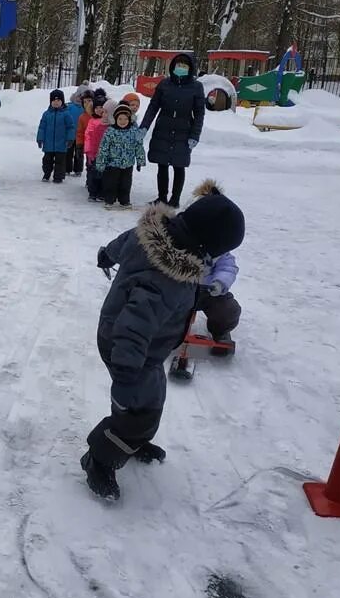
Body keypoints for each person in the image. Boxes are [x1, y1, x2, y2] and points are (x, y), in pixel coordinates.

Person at [81, 191, 246, 501]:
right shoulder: (165, 279)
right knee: (136, 412)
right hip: (128, 350)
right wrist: (127, 370)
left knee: (151, 400)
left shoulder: (155, 234)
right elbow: (134, 325)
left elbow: (123, 242)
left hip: (146, 349)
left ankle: (133, 440)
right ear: (205, 244)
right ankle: (100, 458)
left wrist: (108, 254)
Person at [139, 53, 206, 208]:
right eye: (178, 65)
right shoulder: (164, 84)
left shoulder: (196, 87)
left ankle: (175, 199)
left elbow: (199, 113)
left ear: (190, 68)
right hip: (163, 128)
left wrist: (195, 135)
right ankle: (162, 197)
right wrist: (144, 127)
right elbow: (153, 107)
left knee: (179, 165)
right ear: (173, 66)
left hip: (184, 131)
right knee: (162, 164)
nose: (181, 68)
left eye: (184, 65)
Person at [191, 179, 242, 344]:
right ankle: (167, 331)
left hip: (209, 292)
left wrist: (219, 284)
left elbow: (228, 267)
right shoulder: (181, 238)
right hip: (180, 290)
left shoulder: (219, 246)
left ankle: (220, 330)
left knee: (228, 310)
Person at [95, 102, 147, 209]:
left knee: (126, 184)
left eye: (125, 119)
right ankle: (109, 199)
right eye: (120, 119)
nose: (123, 122)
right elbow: (103, 149)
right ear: (115, 119)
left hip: (128, 164)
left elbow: (138, 146)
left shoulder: (133, 131)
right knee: (111, 183)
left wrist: (140, 161)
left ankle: (124, 201)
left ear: (129, 119)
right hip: (112, 164)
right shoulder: (110, 131)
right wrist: (101, 163)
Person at [37, 89, 76, 183]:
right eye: (54, 100)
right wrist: (40, 138)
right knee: (47, 160)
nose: (56, 102)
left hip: (61, 143)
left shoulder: (66, 114)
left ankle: (58, 177)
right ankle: (46, 174)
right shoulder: (46, 114)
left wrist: (70, 139)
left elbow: (70, 127)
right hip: (49, 143)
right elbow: (42, 127)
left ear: (62, 101)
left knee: (60, 161)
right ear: (51, 102)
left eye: (58, 100)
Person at [84, 94, 110, 202]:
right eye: (97, 108)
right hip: (93, 153)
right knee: (93, 174)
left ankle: (101, 192)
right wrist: (88, 151)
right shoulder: (92, 122)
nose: (99, 110)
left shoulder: (108, 123)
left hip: (105, 153)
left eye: (101, 108)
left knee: (103, 174)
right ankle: (92, 192)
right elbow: (88, 136)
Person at [73, 89, 94, 178]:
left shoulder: (99, 114)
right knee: (89, 163)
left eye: (89, 101)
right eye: (84, 102)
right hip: (86, 143)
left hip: (96, 145)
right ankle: (89, 180)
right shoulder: (82, 117)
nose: (87, 104)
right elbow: (80, 132)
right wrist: (79, 145)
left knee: (94, 163)